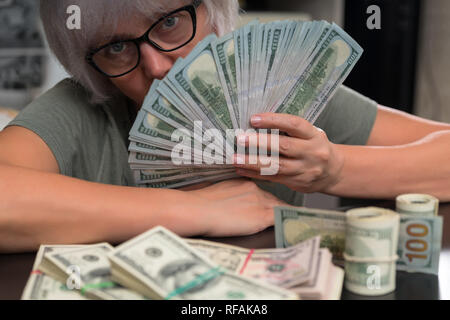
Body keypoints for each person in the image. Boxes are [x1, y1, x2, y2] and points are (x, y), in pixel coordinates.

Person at [0, 0, 449, 253]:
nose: (156, 66)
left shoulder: (280, 87)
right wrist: (201, 211)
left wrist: (335, 168)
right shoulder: (78, 110)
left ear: (215, 12)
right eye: (116, 47)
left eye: (171, 22)